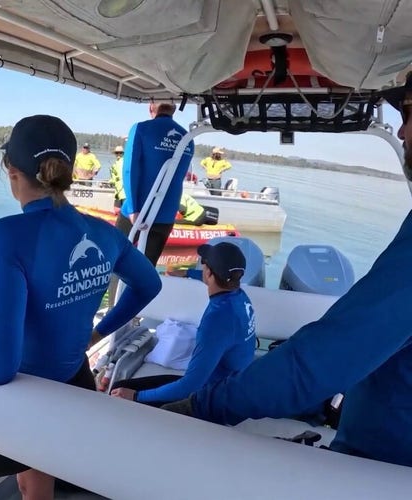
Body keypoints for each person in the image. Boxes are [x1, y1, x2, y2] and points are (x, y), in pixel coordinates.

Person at [160, 74, 412, 468]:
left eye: (409, 111)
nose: (401, 128)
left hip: (381, 469)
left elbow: (319, 362)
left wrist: (198, 408)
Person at [0, 115, 162, 500]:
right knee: (34, 480)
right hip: (75, 389)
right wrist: (97, 332)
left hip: (26, 404)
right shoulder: (103, 232)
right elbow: (149, 283)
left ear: (12, 173)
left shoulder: (6, 236)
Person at [109, 242, 256, 406]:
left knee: (120, 395)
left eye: (204, 264)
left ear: (209, 274)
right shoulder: (239, 297)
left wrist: (136, 396)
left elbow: (189, 386)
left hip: (211, 397)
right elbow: (218, 279)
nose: (202, 269)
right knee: (121, 388)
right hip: (230, 381)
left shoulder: (217, 321)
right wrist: (186, 273)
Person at [117, 101, 195, 266]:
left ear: (151, 107)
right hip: (166, 215)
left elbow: (130, 170)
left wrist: (132, 208)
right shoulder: (187, 138)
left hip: (138, 212)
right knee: (146, 272)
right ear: (174, 109)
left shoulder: (141, 128)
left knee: (117, 267)